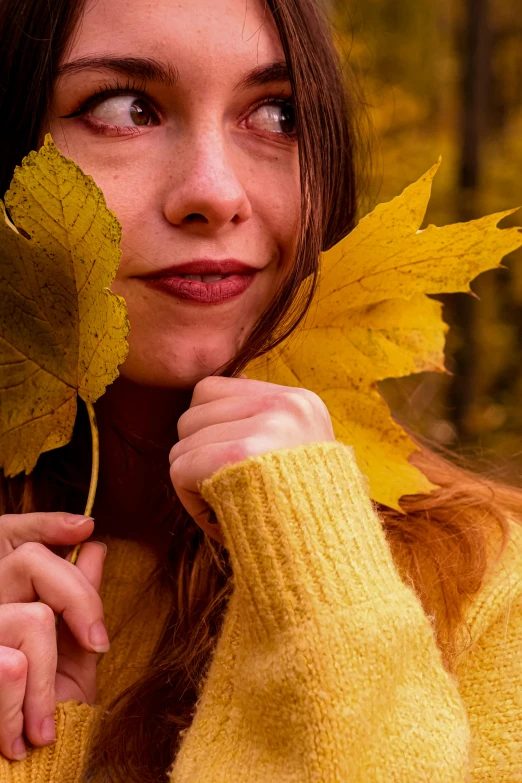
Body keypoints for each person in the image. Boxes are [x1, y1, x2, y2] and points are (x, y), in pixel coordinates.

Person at [0, 0, 521, 780]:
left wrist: (318, 578)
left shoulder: (486, 580)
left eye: (277, 113)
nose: (215, 192)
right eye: (125, 108)